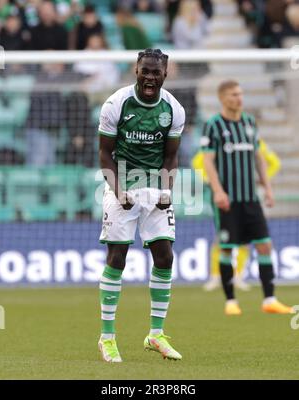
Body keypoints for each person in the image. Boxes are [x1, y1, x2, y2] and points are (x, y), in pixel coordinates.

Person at [98, 48, 185, 362]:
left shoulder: (174, 109)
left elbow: (171, 157)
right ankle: (107, 338)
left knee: (165, 256)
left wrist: (166, 190)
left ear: (165, 73)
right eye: (145, 71)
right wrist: (118, 190)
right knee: (117, 257)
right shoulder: (115, 104)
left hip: (154, 189)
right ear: (136, 70)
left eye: (156, 72)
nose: (150, 77)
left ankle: (156, 334)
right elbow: (105, 154)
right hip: (121, 184)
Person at [201, 80, 294, 316]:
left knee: (264, 245)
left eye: (240, 93)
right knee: (226, 248)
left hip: (251, 198)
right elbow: (208, 161)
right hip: (227, 199)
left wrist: (268, 188)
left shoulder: (250, 123)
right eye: (234, 94)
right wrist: (218, 191)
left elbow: (259, 158)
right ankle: (231, 301)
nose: (239, 98)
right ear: (223, 98)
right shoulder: (213, 125)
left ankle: (269, 299)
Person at [193, 138, 281, 292]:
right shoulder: (220, 139)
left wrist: (262, 179)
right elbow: (198, 162)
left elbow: (274, 163)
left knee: (245, 237)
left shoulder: (254, 140)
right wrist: (212, 182)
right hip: (224, 195)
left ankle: (237, 276)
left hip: (247, 195)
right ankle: (216, 276)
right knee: (222, 236)